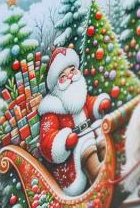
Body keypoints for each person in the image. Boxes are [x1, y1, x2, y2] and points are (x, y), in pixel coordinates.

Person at [36, 46, 111, 195]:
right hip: (70, 159)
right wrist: (64, 141)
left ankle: (108, 161)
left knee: (100, 127)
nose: (70, 76)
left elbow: (89, 103)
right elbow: (46, 141)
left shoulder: (78, 95)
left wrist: (98, 104)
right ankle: (97, 175)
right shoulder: (52, 108)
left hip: (88, 134)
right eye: (63, 76)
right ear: (56, 84)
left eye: (72, 70)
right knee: (85, 141)